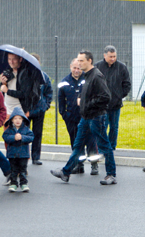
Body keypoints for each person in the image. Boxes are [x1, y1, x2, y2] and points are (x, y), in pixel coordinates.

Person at [50, 50, 117, 186]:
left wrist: (87, 104)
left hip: (96, 117)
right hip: (85, 118)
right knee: (78, 145)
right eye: (78, 61)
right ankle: (66, 172)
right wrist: (81, 97)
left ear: (89, 61)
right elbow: (87, 92)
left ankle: (111, 174)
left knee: (104, 145)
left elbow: (105, 97)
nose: (79, 64)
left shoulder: (97, 76)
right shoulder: (87, 76)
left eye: (81, 61)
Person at [58, 59, 97, 174]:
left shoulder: (87, 80)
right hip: (71, 119)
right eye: (74, 68)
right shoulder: (64, 82)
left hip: (86, 117)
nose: (76, 70)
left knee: (91, 141)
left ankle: (94, 165)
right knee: (75, 143)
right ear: (70, 67)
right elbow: (61, 103)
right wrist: (65, 116)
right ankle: (78, 165)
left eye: (79, 68)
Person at [95, 45, 133, 152]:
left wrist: (119, 96)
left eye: (114, 56)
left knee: (114, 127)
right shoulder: (97, 67)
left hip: (116, 104)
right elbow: (93, 84)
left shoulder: (121, 67)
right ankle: (103, 147)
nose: (112, 59)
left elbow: (127, 84)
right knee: (102, 126)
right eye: (110, 56)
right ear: (105, 55)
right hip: (102, 105)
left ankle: (112, 147)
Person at [29, 53, 53, 166]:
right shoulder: (25, 76)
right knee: (24, 134)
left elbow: (49, 91)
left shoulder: (44, 76)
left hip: (39, 110)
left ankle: (36, 157)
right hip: (27, 111)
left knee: (37, 134)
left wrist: (46, 105)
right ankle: (24, 156)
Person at [3, 107, 35, 192]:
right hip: (12, 154)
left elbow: (31, 137)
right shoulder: (9, 129)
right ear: (12, 120)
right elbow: (5, 137)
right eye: (15, 118)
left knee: (23, 169)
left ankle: (23, 183)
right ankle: (13, 183)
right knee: (13, 169)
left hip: (23, 154)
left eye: (20, 118)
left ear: (23, 119)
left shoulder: (26, 129)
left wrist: (22, 137)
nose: (18, 120)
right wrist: (14, 137)